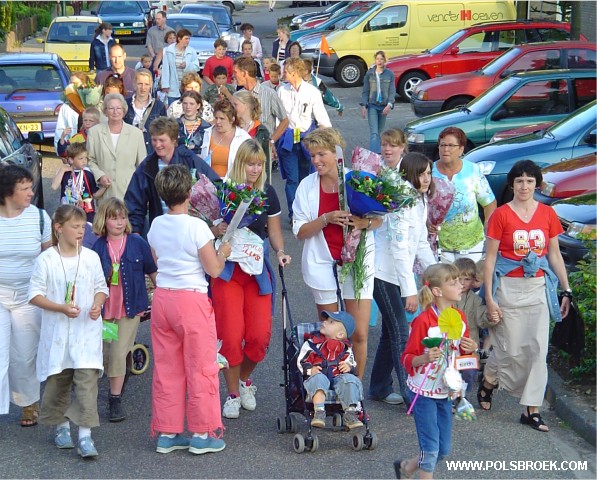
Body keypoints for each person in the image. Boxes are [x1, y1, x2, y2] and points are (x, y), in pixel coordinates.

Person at [479, 160, 571, 433]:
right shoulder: (501, 215)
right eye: (519, 180)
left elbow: (554, 254)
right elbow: (490, 260)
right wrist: (489, 298)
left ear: (537, 184)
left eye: (530, 181)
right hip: (507, 287)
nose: (524, 186)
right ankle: (488, 380)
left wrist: (566, 289)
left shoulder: (547, 214)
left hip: (538, 288)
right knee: (509, 348)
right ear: (512, 184)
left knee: (538, 350)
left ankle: (531, 409)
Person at [147, 164, 231, 455]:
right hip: (191, 300)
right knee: (201, 366)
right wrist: (223, 252)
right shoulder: (196, 227)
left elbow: (158, 259)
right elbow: (214, 269)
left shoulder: (156, 225)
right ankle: (202, 432)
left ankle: (167, 433)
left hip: (163, 298)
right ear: (189, 192)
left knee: (167, 368)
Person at [211, 139, 291, 419]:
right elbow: (207, 227)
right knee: (231, 336)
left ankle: (244, 380)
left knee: (259, 337)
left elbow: (274, 230)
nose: (255, 170)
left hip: (256, 272)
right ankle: (232, 393)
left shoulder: (268, 192)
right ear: (239, 163)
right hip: (228, 273)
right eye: (250, 164)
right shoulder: (224, 190)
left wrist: (280, 251)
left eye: (259, 164)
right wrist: (216, 228)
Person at [293, 128, 381, 378]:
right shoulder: (307, 186)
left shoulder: (357, 179)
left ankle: (354, 390)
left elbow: (379, 220)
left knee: (359, 333)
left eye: (321, 154)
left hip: (357, 263)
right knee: (331, 333)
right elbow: (300, 231)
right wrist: (326, 218)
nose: (316, 160)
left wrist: (364, 223)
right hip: (322, 263)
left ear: (336, 153)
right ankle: (332, 387)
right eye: (312, 156)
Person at [28, 205, 108, 458]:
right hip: (58, 334)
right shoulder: (47, 259)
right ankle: (61, 427)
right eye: (75, 226)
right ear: (59, 228)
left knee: (87, 383)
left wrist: (97, 304)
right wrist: (60, 308)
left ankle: (85, 436)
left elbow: (101, 287)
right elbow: (34, 295)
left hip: (86, 333)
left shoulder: (91, 257)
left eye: (83, 227)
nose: (80, 231)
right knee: (58, 381)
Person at [397, 263, 477, 479]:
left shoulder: (459, 317)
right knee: (431, 448)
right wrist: (424, 357)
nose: (460, 285)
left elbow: (462, 353)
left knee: (443, 449)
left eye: (460, 281)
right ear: (437, 291)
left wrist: (471, 348)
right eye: (454, 282)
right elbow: (406, 357)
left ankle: (406, 467)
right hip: (423, 391)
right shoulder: (423, 321)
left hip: (446, 390)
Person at [371, 149, 436, 408]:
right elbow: (398, 248)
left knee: (390, 333)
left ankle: (379, 387)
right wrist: (410, 290)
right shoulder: (401, 202)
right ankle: (411, 394)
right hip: (384, 274)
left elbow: (420, 242)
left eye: (429, 173)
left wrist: (438, 274)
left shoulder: (420, 200)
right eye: (421, 174)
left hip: (399, 275)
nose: (426, 178)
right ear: (409, 175)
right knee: (400, 333)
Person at [92, 198, 157, 422]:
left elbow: (152, 270)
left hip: (130, 309)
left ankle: (114, 399)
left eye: (122, 217)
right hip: (107, 310)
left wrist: (162, 295)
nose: (119, 222)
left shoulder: (137, 243)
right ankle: (125, 368)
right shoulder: (98, 247)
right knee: (108, 352)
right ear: (104, 220)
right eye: (114, 218)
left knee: (118, 353)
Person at [0, 165, 51, 426]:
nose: (31, 192)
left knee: (24, 355)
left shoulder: (39, 217)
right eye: (25, 188)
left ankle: (28, 402)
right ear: (8, 192)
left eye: (31, 187)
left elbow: (49, 258)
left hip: (29, 298)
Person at [125, 117, 220, 234]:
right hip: (162, 227)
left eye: (162, 140)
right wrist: (135, 232)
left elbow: (216, 185)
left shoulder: (190, 159)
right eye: (154, 140)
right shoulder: (147, 166)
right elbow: (134, 202)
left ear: (174, 140)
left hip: (189, 228)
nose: (157, 145)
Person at [432, 127, 497, 263]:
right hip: (439, 244)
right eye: (442, 145)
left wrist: (489, 227)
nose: (445, 149)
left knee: (469, 276)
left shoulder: (472, 170)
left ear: (461, 149)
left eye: (451, 145)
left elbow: (489, 203)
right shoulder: (429, 172)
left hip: (471, 244)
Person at [278, 57, 331, 221]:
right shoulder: (282, 90)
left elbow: (322, 117)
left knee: (307, 178)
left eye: (286, 71)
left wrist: (330, 141)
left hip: (307, 140)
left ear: (294, 73)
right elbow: (277, 118)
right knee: (292, 179)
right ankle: (294, 214)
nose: (283, 74)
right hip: (288, 140)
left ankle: (306, 211)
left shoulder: (312, 92)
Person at [297, 310, 364, 429]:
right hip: (319, 374)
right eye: (326, 320)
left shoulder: (345, 348)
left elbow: (351, 362)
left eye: (331, 322)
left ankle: (350, 412)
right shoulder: (313, 343)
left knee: (350, 380)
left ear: (340, 335)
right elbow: (302, 361)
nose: (324, 322)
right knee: (318, 379)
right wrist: (310, 370)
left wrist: (348, 366)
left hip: (338, 377)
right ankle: (319, 411)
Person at [87, 93, 147, 202]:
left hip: (129, 194)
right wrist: (100, 176)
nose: (115, 111)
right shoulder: (94, 132)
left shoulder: (136, 134)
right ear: (105, 111)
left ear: (124, 110)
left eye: (118, 108)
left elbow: (142, 165)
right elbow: (90, 159)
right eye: (111, 108)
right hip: (105, 193)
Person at [232, 57, 289, 157]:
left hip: (262, 149)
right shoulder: (237, 96)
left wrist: (271, 141)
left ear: (244, 73)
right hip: (241, 149)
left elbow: (285, 121)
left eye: (235, 72)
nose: (233, 76)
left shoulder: (269, 94)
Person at [453, 257, 487, 393]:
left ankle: (463, 396)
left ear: (473, 280)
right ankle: (451, 397)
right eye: (459, 278)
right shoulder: (446, 296)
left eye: (467, 279)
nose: (462, 283)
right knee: (449, 373)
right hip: (449, 345)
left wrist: (491, 317)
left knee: (468, 374)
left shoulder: (476, 300)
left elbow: (482, 321)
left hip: (469, 345)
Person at [51, 143, 106, 223]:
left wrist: (105, 187)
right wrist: (62, 170)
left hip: (87, 215)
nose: (84, 161)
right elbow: (54, 186)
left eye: (86, 158)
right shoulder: (64, 172)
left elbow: (95, 194)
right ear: (71, 160)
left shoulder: (88, 173)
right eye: (81, 158)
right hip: (67, 214)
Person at [199, 99, 251, 179]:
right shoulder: (207, 133)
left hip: (233, 183)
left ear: (232, 119)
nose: (217, 122)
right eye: (216, 118)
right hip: (208, 181)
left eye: (222, 118)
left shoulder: (243, 138)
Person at [124, 69, 167, 155]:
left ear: (151, 85)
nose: (143, 88)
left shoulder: (159, 106)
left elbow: (164, 132)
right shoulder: (125, 104)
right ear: (134, 84)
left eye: (146, 84)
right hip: (129, 150)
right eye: (140, 84)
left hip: (151, 151)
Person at [360, 51, 396, 154]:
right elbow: (365, 91)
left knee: (380, 132)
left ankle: (380, 154)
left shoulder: (389, 74)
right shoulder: (370, 74)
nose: (379, 61)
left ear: (385, 60)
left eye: (381, 59)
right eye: (377, 59)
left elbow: (392, 91)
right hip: (372, 105)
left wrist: (389, 105)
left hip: (384, 106)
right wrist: (364, 106)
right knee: (374, 132)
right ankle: (374, 155)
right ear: (375, 60)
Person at [232, 90, 271, 180]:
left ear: (246, 105)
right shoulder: (232, 127)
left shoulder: (261, 130)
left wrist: (266, 184)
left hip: (255, 179)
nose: (232, 108)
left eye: (235, 105)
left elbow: (266, 162)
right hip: (234, 177)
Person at [54, 72, 93, 157]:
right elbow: (60, 128)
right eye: (70, 83)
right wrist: (61, 153)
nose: (71, 86)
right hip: (74, 151)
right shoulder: (66, 106)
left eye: (74, 83)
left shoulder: (92, 103)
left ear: (84, 84)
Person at [161, 29, 199, 106]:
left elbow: (196, 67)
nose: (188, 41)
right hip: (173, 86)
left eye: (189, 39)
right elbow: (165, 69)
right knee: (173, 107)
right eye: (186, 39)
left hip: (187, 86)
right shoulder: (169, 50)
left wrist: (187, 65)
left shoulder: (192, 51)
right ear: (179, 39)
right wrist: (165, 85)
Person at [176, 91, 210, 156]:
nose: (188, 107)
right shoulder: (173, 125)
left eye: (191, 104)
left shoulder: (206, 127)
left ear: (198, 105)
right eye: (185, 103)